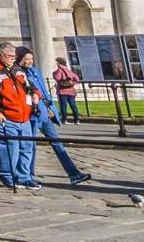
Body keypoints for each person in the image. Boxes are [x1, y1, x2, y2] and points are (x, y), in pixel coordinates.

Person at [19, 48, 93, 185]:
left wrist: (51, 108)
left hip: (45, 112)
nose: (29, 61)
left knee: (57, 143)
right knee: (30, 146)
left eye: (31, 58)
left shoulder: (35, 71)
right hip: (32, 114)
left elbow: (43, 91)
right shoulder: (19, 73)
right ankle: (27, 176)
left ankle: (74, 174)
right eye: (26, 59)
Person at [0, 50, 40, 190]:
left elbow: (30, 86)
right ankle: (7, 175)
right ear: (0, 54)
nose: (14, 58)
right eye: (10, 56)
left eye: (14, 56)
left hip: (24, 116)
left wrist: (36, 94)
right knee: (10, 147)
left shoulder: (16, 68)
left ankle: (24, 178)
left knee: (26, 148)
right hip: (6, 116)